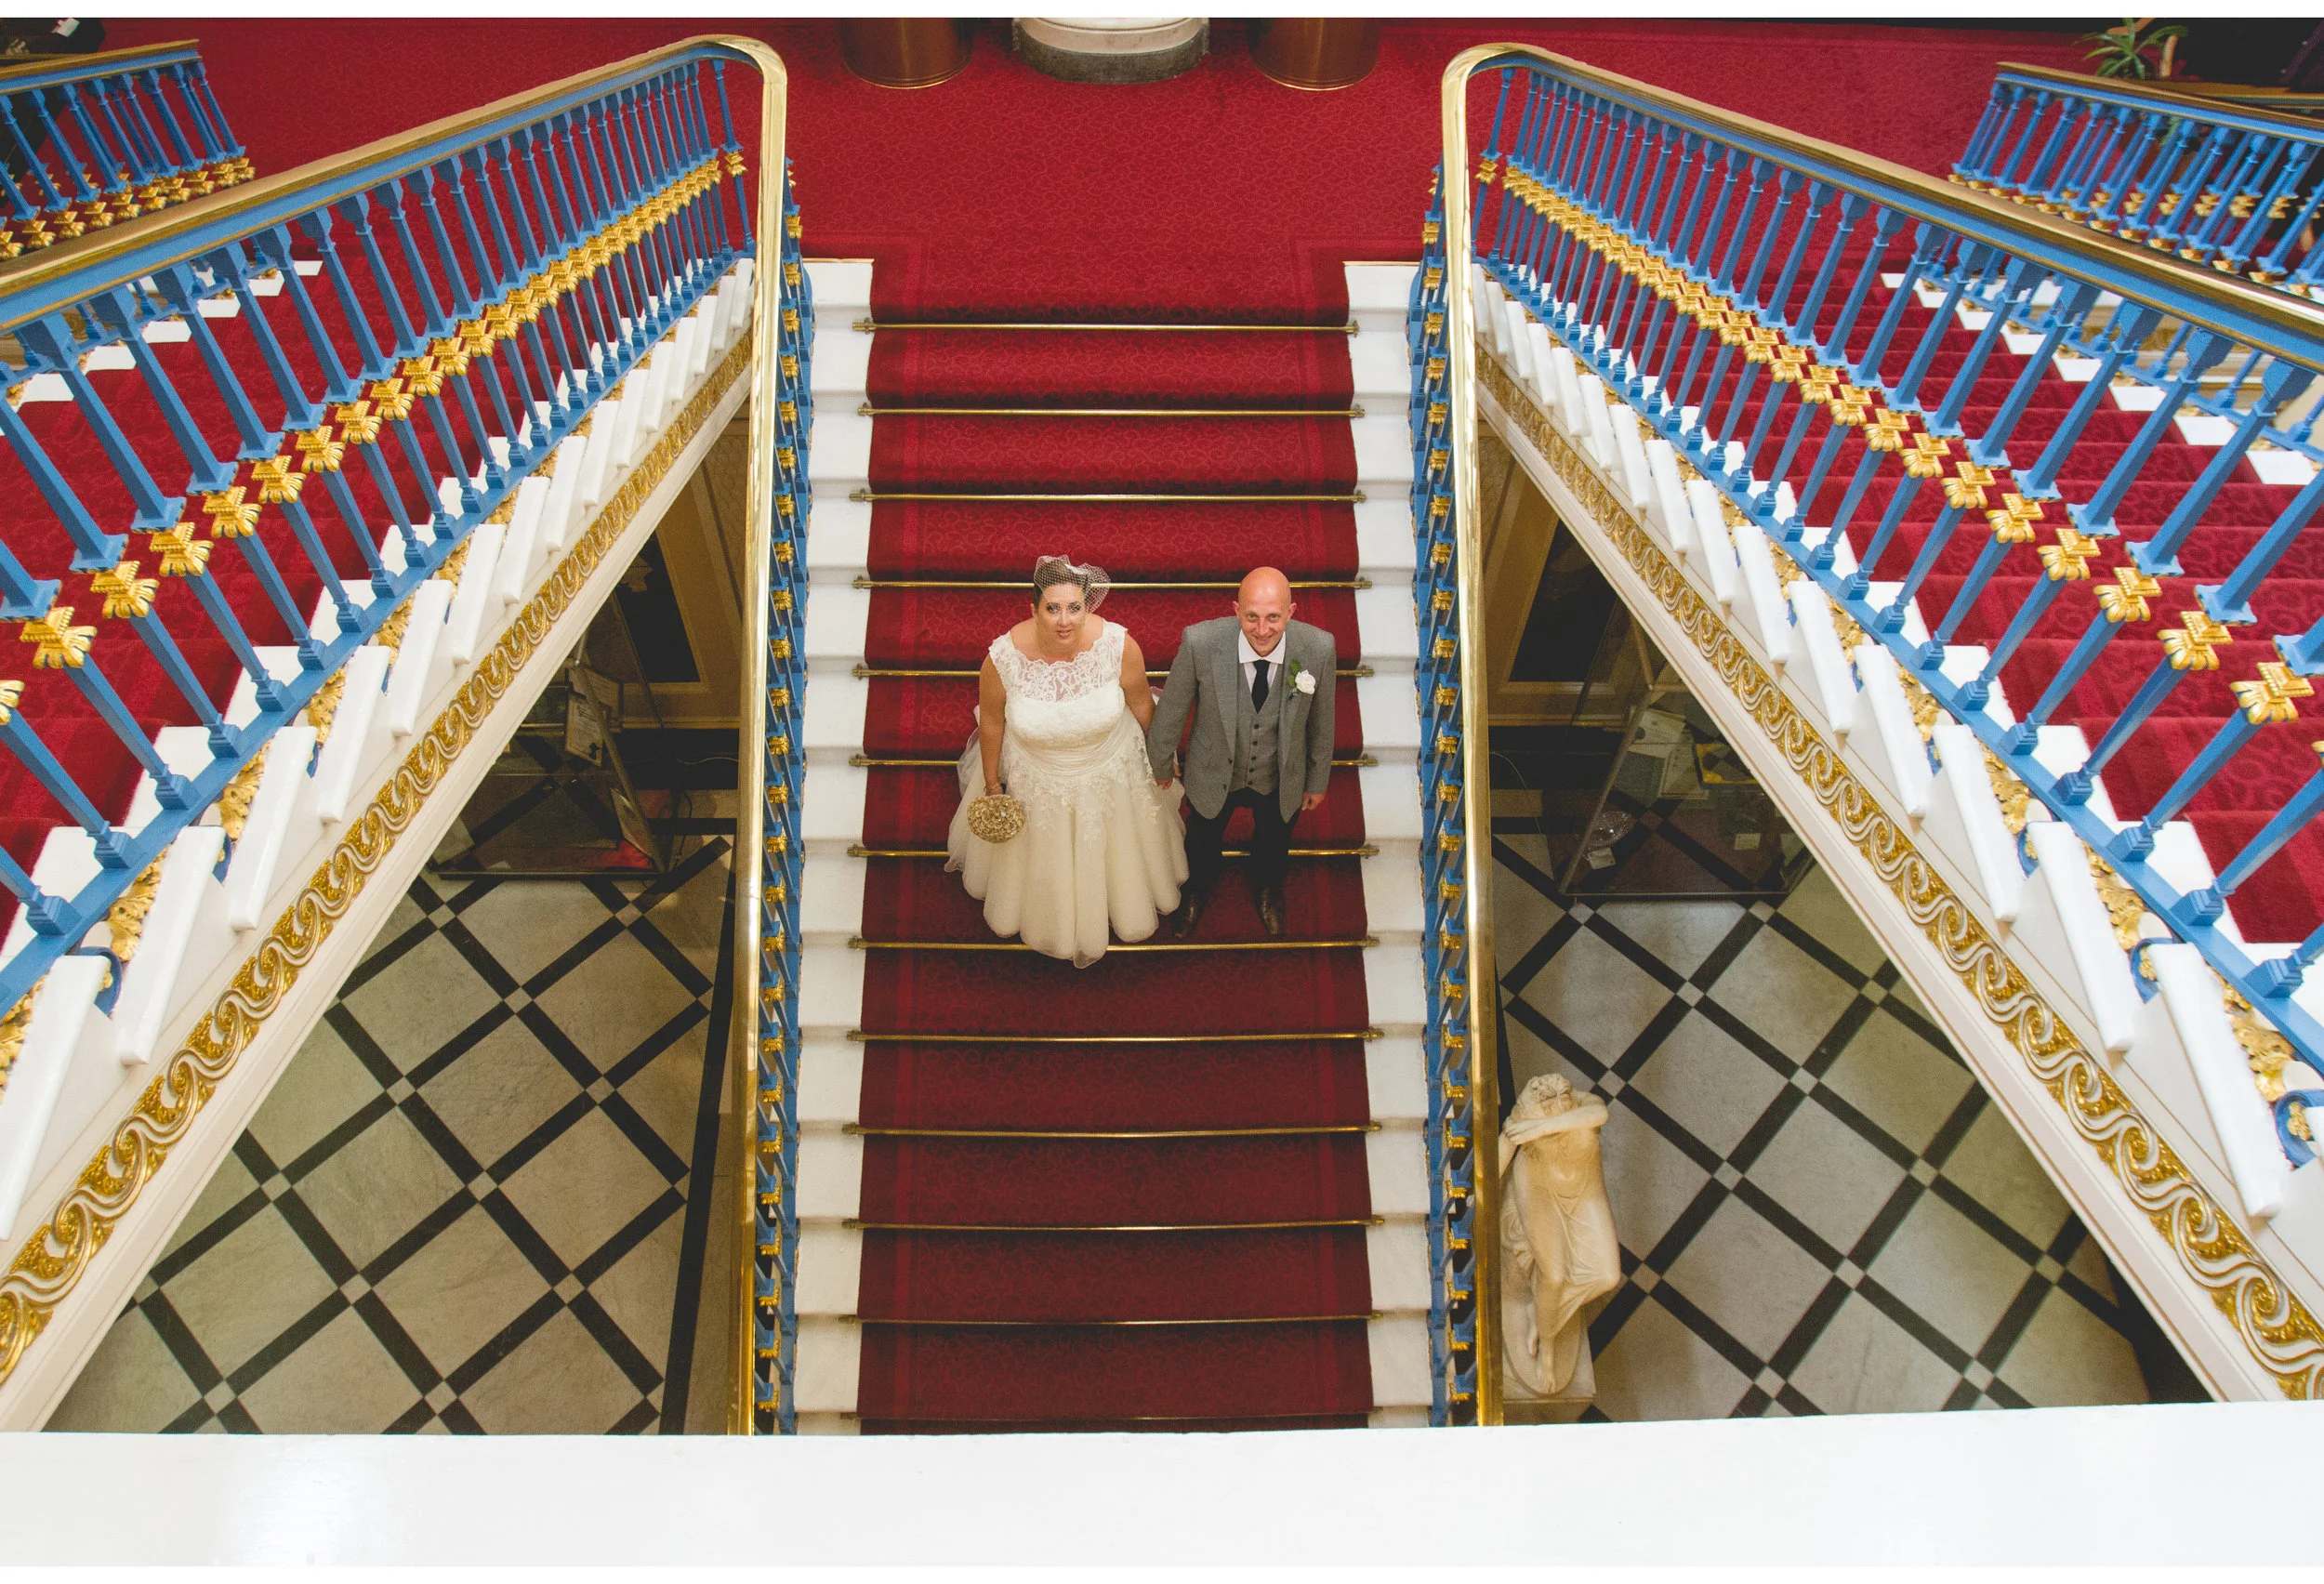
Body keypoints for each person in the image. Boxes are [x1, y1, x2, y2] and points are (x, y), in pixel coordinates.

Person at [946, 556, 1186, 967]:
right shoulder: (1001, 659)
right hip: (1037, 777)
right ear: (1033, 609)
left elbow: (1142, 701)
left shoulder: (1118, 645)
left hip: (1111, 769)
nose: (1064, 620)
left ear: (1087, 606)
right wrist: (991, 784)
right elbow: (991, 722)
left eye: (1074, 607)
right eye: (1052, 608)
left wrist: (1163, 755)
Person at [1144, 566, 1335, 938]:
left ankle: (1267, 890)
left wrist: (1317, 779)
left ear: (1291, 612)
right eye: (1251, 617)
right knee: (1201, 841)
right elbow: (1172, 710)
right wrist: (1161, 764)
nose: (1262, 630)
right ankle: (1196, 891)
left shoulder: (1318, 647)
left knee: (1274, 842)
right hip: (1214, 768)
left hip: (1280, 774)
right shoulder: (1201, 642)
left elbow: (1322, 721)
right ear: (1236, 610)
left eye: (1273, 618)